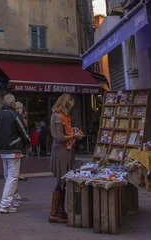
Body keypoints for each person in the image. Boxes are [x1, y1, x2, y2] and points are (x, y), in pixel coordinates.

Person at [49, 94, 83, 224]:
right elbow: (59, 137)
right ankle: (53, 213)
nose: (71, 108)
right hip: (60, 151)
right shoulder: (58, 116)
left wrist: (72, 131)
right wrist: (74, 136)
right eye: (70, 105)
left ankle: (61, 211)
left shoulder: (64, 116)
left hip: (65, 151)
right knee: (60, 181)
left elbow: (64, 133)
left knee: (63, 181)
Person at [0, 94, 31, 214]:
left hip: (3, 149)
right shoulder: (14, 115)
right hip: (14, 149)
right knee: (12, 177)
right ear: (12, 103)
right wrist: (28, 142)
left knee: (8, 176)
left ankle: (14, 200)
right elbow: (22, 130)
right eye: (15, 102)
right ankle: (5, 204)